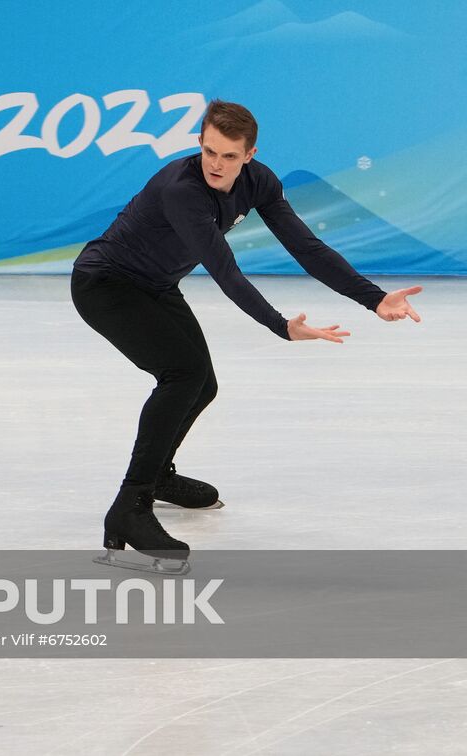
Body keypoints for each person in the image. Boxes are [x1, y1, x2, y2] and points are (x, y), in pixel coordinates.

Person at [70, 100, 421, 572]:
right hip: (105, 284)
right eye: (209, 151)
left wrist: (374, 299)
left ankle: (157, 476)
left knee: (202, 383)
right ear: (199, 142)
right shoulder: (182, 190)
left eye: (229, 156)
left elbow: (306, 248)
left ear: (249, 154)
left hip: (154, 285)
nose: (216, 164)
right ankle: (129, 507)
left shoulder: (261, 183)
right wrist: (280, 326)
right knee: (182, 374)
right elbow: (225, 272)